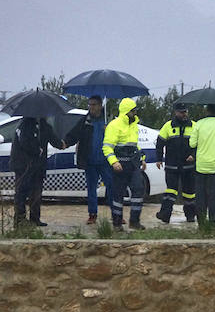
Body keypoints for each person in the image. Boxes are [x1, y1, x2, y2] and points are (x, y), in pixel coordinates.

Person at [64, 95, 112, 225]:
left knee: (112, 187)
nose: (91, 107)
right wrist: (65, 142)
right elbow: (74, 134)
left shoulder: (109, 120)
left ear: (100, 105)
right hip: (90, 161)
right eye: (89, 104)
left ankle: (116, 213)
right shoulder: (85, 120)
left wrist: (109, 130)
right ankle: (92, 214)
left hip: (106, 161)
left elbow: (117, 137)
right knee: (91, 188)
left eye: (94, 104)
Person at [10, 117, 66, 227]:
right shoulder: (24, 125)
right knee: (21, 193)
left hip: (39, 166)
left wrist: (63, 144)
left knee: (36, 193)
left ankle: (35, 218)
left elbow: (54, 139)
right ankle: (19, 220)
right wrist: (37, 149)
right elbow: (24, 142)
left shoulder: (44, 126)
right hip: (23, 166)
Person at [102, 98, 147, 231]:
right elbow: (107, 147)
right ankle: (117, 224)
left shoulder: (133, 125)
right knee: (118, 195)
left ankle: (134, 221)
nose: (135, 113)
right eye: (133, 111)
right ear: (127, 111)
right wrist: (114, 162)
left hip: (133, 165)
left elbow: (135, 145)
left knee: (138, 189)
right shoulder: (114, 125)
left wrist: (142, 158)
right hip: (120, 165)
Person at [155, 102, 197, 224]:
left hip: (188, 166)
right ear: (176, 112)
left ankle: (190, 216)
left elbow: (200, 144)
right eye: (181, 112)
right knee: (171, 192)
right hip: (171, 165)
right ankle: (165, 215)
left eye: (186, 111)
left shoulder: (194, 126)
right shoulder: (168, 126)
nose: (184, 114)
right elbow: (159, 143)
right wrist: (158, 159)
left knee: (189, 193)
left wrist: (193, 156)